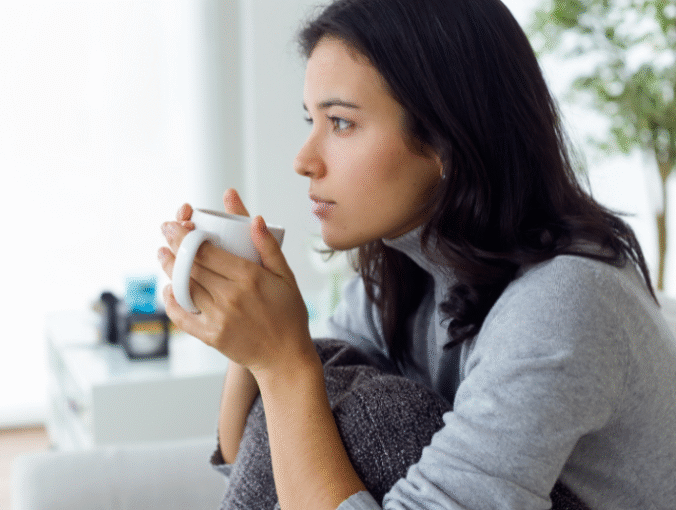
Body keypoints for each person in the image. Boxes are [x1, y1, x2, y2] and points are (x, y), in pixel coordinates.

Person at [158, 0, 676, 508]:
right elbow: (259, 466)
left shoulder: (565, 301)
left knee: (354, 407)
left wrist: (282, 363)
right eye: (310, 121)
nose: (304, 160)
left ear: (445, 138)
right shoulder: (398, 270)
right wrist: (250, 343)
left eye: (340, 123)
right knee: (322, 390)